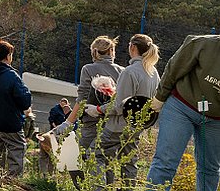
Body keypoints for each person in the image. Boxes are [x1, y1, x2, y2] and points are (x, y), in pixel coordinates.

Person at [147, 34, 220, 191]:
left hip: (216, 120)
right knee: (165, 163)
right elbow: (174, 68)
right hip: (181, 108)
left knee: (210, 169)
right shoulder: (202, 44)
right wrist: (160, 98)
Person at [50, 35, 123, 188]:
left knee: (73, 157)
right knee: (105, 160)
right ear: (112, 51)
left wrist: (68, 122)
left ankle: (84, 187)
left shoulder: (88, 69)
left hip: (91, 124)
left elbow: (82, 99)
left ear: (94, 52)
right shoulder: (122, 71)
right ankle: (105, 186)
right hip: (113, 125)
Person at [90, 33, 160, 189]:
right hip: (136, 127)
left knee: (95, 155)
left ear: (133, 47)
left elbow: (119, 105)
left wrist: (97, 109)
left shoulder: (129, 72)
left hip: (117, 126)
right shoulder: (153, 72)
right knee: (128, 163)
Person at [0, 41, 33, 176]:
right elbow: (25, 101)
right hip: (9, 122)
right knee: (17, 150)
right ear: (8, 56)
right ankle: (12, 181)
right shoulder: (11, 76)